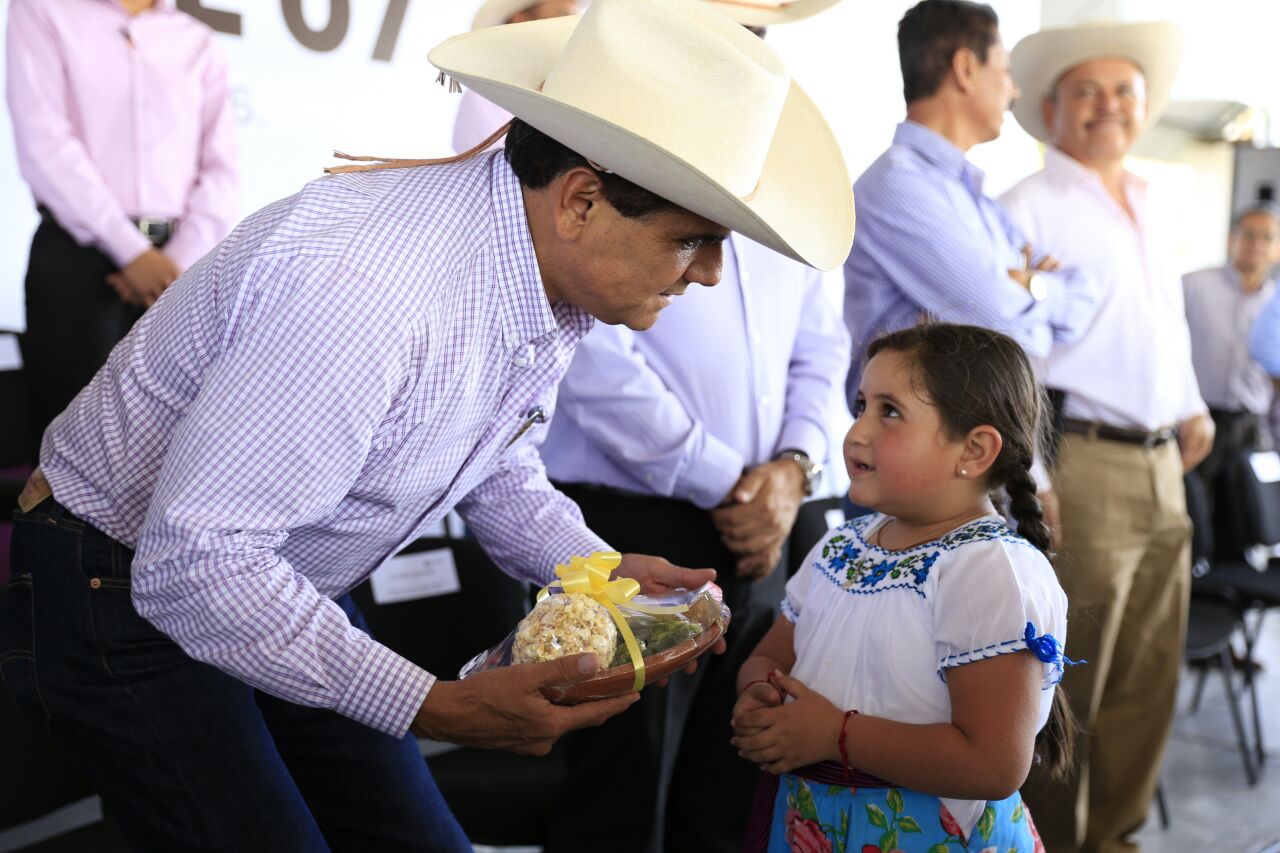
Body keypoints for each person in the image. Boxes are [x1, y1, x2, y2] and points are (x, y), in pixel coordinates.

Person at [0, 1, 854, 850]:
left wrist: (592, 571)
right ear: (582, 202)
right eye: (692, 240)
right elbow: (194, 561)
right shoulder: (374, 292)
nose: (708, 273)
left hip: (270, 571)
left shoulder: (533, 264)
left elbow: (496, 461)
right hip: (118, 580)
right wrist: (434, 702)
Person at [537, 6, 850, 851]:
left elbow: (823, 348)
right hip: (628, 520)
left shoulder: (794, 196)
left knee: (736, 770)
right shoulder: (621, 169)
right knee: (618, 784)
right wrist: (733, 483)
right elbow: (593, 365)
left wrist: (792, 466)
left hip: (765, 523)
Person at [732, 323, 1073, 853]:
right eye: (861, 404)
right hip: (813, 822)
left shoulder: (988, 570)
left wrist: (833, 735)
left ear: (974, 450)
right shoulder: (842, 546)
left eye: (889, 411)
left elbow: (993, 763)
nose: (856, 432)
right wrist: (760, 695)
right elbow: (772, 655)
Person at [999, 21, 1211, 852]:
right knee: (1071, 683)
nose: (1108, 106)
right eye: (1087, 91)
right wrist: (1035, 474)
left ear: (1145, 105)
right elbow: (1014, 355)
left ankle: (1115, 838)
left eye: (1123, 90)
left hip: (1167, 464)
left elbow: (1167, 326)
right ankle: (1054, 842)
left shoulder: (1154, 202)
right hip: (1080, 462)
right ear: (1052, 109)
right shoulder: (1025, 208)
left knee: (1148, 677)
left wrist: (1191, 404)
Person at [6, 0, 238, 462]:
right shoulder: (43, 11)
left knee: (166, 451)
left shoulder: (196, 40)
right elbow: (45, 140)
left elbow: (221, 168)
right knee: (70, 449)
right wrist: (133, 253)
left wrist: (176, 263)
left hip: (178, 270)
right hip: (77, 255)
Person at [842, 0, 1099, 400]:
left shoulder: (975, 198)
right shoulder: (896, 186)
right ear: (965, 68)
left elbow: (1084, 298)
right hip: (924, 446)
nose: (1014, 90)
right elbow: (1009, 330)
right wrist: (1037, 293)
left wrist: (1032, 286)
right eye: (1006, 70)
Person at [1184, 204, 1280, 517]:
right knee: (1194, 510)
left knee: (1246, 515)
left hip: (1253, 426)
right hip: (1198, 419)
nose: (1256, 243)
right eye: (1248, 234)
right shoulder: (1193, 285)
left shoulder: (1275, 302)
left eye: (1267, 237)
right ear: (1231, 239)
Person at [452, 0, 583, 154]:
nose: (574, 26)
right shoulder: (486, 97)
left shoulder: (570, 88)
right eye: (564, 15)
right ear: (521, 20)